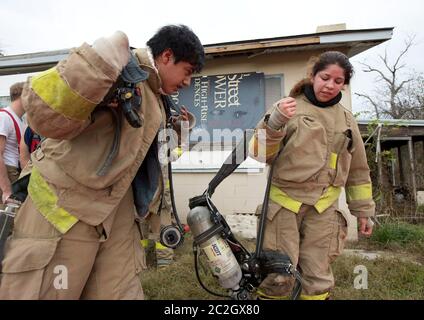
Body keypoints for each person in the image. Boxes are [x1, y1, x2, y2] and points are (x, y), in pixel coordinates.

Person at [0, 25, 204, 299]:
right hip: (65, 208)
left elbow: (151, 155)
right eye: (188, 71)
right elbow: (42, 115)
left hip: (116, 211)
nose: (188, 82)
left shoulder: (157, 98)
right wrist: (97, 67)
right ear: (167, 56)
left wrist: (180, 128)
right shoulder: (121, 71)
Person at [249, 51, 375, 300]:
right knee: (277, 275)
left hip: (324, 208)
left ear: (344, 84)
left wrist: (364, 212)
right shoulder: (287, 108)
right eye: (325, 77)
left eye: (338, 81)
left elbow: (358, 169)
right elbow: (259, 153)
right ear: (313, 76)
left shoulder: (347, 120)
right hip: (283, 206)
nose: (330, 85)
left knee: (317, 277)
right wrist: (274, 124)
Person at [0, 82, 26, 205]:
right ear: (23, 96)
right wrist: (6, 189)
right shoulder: (4, 117)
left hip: (14, 172)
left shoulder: (19, 119)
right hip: (8, 172)